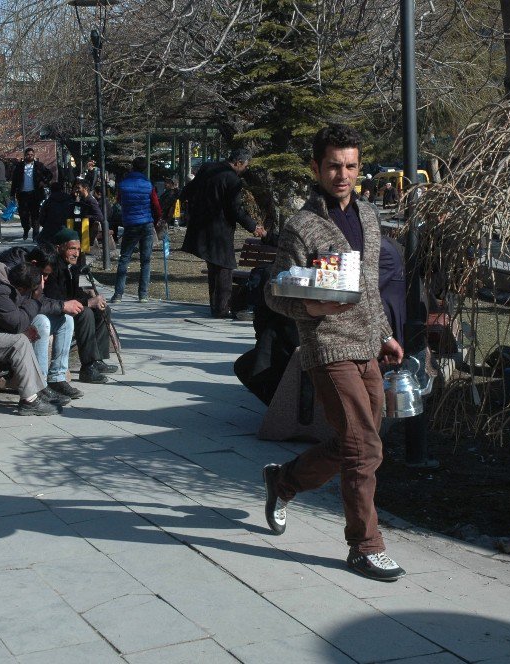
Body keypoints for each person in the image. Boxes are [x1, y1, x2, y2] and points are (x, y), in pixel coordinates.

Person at [261, 124, 407, 582]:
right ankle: (365, 545)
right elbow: (273, 292)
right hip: (327, 345)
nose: (342, 174)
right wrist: (307, 303)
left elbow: (368, 287)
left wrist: (385, 333)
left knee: (361, 446)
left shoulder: (367, 214)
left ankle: (284, 481)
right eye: (333, 166)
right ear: (316, 168)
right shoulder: (301, 225)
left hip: (368, 342)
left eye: (350, 166)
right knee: (363, 446)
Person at [0, 257, 70, 414]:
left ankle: (39, 389)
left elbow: (15, 315)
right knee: (19, 342)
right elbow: (17, 323)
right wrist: (36, 298)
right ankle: (29, 401)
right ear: (23, 289)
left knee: (29, 332)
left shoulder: (4, 279)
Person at [181, 148, 265, 318]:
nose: (245, 169)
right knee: (225, 268)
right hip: (220, 230)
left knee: (214, 267)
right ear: (238, 163)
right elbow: (236, 210)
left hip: (202, 226)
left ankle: (216, 306)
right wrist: (253, 227)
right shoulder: (233, 180)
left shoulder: (207, 168)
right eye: (245, 166)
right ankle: (222, 308)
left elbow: (188, 190)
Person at [0, 243, 83, 399]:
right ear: (34, 264)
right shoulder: (12, 272)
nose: (45, 279)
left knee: (66, 319)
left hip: (21, 316)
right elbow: (20, 307)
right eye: (44, 274)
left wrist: (62, 306)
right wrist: (59, 304)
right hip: (4, 323)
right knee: (41, 322)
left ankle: (57, 377)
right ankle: (39, 384)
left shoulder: (30, 269)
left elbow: (38, 300)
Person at [44, 228, 118, 385]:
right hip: (54, 310)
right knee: (86, 313)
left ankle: (98, 359)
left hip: (67, 305)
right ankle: (88, 367)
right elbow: (57, 298)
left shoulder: (72, 266)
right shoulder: (52, 266)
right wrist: (87, 303)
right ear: (59, 248)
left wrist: (90, 297)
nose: (76, 253)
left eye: (78, 249)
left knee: (102, 309)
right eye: (72, 248)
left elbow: (74, 293)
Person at [110, 157, 161, 303]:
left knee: (124, 258)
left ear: (132, 167)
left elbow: (119, 201)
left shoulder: (123, 184)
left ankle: (118, 294)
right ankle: (143, 294)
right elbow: (156, 206)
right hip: (146, 223)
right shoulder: (148, 185)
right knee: (145, 260)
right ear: (144, 168)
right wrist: (155, 221)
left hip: (130, 224)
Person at [10, 147, 52, 241]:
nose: (30, 156)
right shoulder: (19, 166)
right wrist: (12, 194)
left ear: (34, 156)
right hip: (23, 194)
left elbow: (49, 174)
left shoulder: (39, 166)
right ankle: (26, 228)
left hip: (35, 194)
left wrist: (43, 182)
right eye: (28, 154)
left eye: (31, 155)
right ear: (25, 155)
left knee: (35, 215)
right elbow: (15, 180)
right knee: (23, 214)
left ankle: (35, 235)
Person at [38, 180, 76, 244]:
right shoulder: (70, 201)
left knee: (40, 240)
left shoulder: (48, 202)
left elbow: (42, 219)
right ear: (62, 190)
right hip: (68, 228)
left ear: (51, 190)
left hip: (50, 230)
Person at [73, 177, 107, 249]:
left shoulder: (91, 201)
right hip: (79, 225)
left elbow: (100, 217)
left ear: (85, 188)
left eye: (79, 188)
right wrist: (77, 202)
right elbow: (76, 213)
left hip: (86, 227)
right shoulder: (81, 199)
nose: (77, 190)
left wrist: (86, 217)